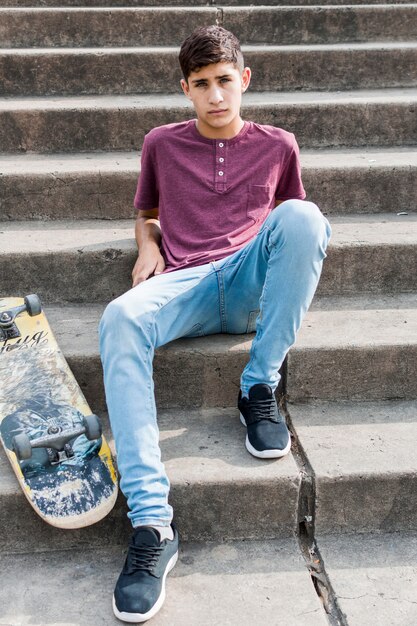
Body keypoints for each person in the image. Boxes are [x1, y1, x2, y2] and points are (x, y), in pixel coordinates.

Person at [99, 25, 331, 623]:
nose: (216, 96)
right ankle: (152, 524)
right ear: (186, 89)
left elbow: (291, 231)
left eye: (225, 81)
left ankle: (259, 384)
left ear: (244, 78)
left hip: (249, 283)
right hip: (185, 286)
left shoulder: (279, 144)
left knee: (305, 218)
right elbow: (146, 213)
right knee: (121, 316)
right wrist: (146, 246)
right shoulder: (161, 144)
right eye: (201, 85)